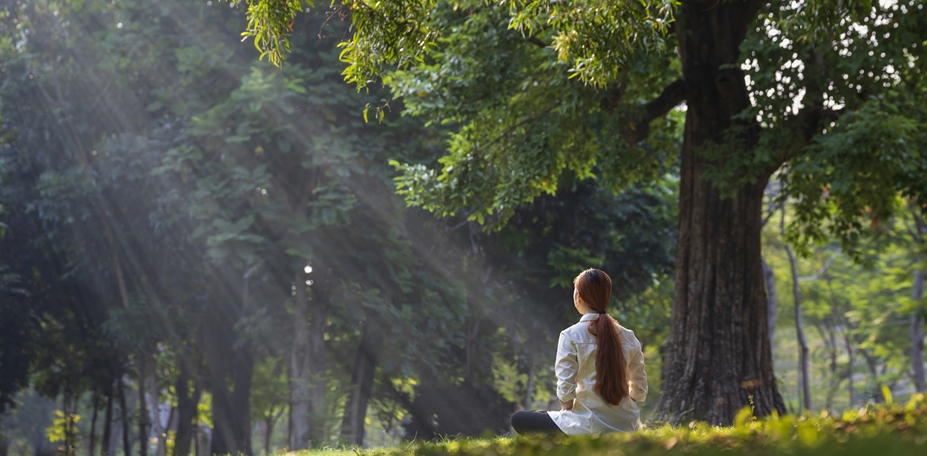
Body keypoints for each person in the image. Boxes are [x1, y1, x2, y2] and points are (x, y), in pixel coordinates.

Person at [510, 268, 648, 435]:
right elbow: (640, 388)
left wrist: (567, 411)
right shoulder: (629, 336)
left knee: (520, 419)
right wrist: (618, 410)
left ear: (578, 297)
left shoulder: (570, 335)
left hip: (585, 427)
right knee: (542, 415)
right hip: (627, 426)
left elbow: (566, 389)